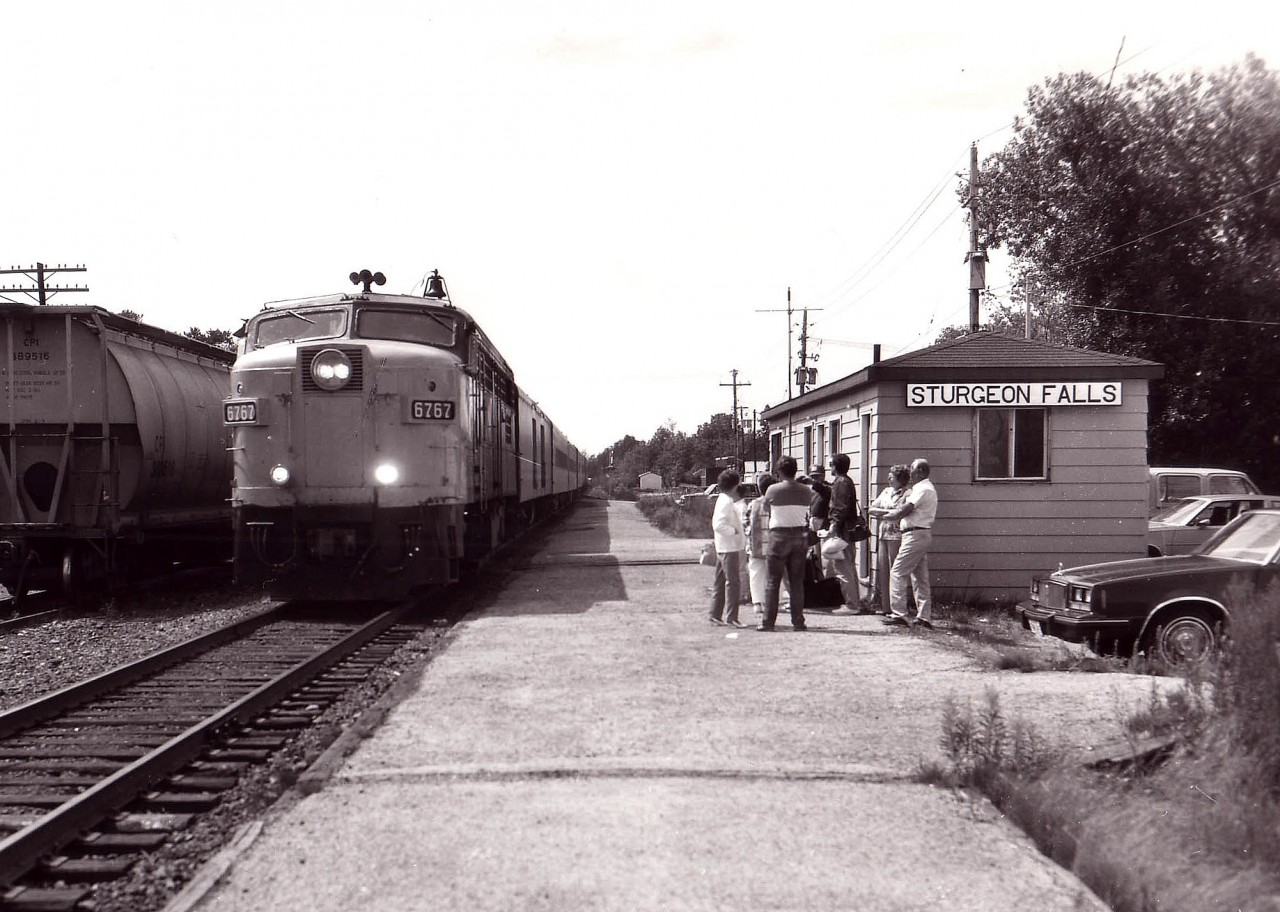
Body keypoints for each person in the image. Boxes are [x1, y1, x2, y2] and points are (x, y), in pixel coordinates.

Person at [876, 458, 937, 628]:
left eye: (913, 469)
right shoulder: (924, 487)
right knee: (919, 577)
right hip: (919, 534)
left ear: (921, 472)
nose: (910, 472)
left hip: (915, 534)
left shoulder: (922, 488)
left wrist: (886, 515)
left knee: (897, 572)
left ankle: (899, 614)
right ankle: (924, 617)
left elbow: (905, 509)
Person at [758, 456, 810, 632]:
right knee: (796, 581)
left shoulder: (773, 489)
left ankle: (768, 622)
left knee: (773, 580)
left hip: (779, 535)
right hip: (800, 535)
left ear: (779, 472)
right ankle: (798, 621)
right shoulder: (805, 490)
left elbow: (766, 508)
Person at [826, 453, 872, 615]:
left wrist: (834, 524)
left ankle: (851, 604)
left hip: (842, 530)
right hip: (847, 530)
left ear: (836, 466)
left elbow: (840, 506)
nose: (829, 466)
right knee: (849, 566)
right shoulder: (847, 481)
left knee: (842, 567)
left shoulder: (840, 483)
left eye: (830, 463)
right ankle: (855, 601)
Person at [867, 464, 911, 615]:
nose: (888, 479)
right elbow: (872, 509)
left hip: (897, 535)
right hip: (883, 534)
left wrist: (884, 513)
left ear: (900, 478)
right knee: (883, 570)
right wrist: (889, 512)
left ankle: (896, 608)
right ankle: (886, 607)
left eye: (891, 476)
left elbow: (901, 513)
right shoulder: (886, 492)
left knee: (895, 570)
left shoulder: (907, 494)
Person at [709, 469, 747, 627]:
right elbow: (718, 525)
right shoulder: (726, 501)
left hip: (723, 546)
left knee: (719, 581)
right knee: (733, 582)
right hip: (728, 547)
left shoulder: (723, 498)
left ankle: (715, 614)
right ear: (735, 484)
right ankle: (732, 617)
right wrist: (734, 531)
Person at [745, 473, 775, 617]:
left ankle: (757, 603)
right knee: (772, 574)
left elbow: (745, 523)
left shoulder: (753, 504)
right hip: (773, 544)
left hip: (756, 544)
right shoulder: (775, 504)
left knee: (756, 573)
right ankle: (771, 601)